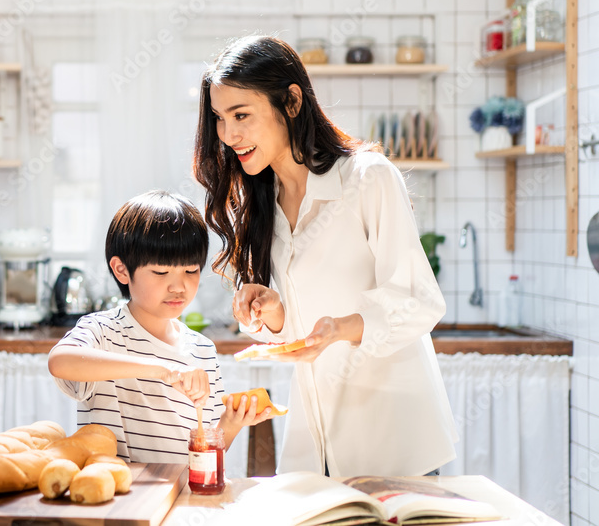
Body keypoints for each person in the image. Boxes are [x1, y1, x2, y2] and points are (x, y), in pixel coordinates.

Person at [193, 35, 457, 477]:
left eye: (241, 115)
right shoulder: (263, 204)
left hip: (393, 436)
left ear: (292, 102)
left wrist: (343, 328)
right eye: (220, 118)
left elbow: (419, 299)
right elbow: (299, 337)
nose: (228, 134)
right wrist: (274, 313)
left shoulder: (368, 178)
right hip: (316, 440)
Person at [48, 190, 275, 464]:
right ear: (122, 270)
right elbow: (60, 361)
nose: (178, 286)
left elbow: (205, 450)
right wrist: (163, 370)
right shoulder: (102, 331)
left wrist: (232, 422)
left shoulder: (203, 350)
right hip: (118, 499)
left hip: (181, 498)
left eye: (190, 271)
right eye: (160, 272)